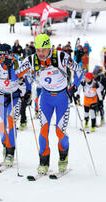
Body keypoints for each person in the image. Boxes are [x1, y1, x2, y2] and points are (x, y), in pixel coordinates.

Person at [16, 34, 84, 174]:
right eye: (38, 50)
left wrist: (75, 87)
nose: (41, 53)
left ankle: (63, 157)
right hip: (46, 97)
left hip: (62, 98)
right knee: (43, 130)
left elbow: (79, 70)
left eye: (44, 50)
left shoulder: (60, 57)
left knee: (59, 132)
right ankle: (44, 161)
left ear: (49, 48)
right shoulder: (32, 59)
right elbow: (17, 74)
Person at [0, 44, 31, 165]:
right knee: (1, 125)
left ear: (10, 54)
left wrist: (28, 91)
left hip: (14, 96)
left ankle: (10, 152)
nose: (1, 57)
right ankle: (5, 146)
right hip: (0, 96)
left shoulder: (17, 63)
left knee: (11, 123)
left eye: (4, 54)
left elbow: (28, 75)